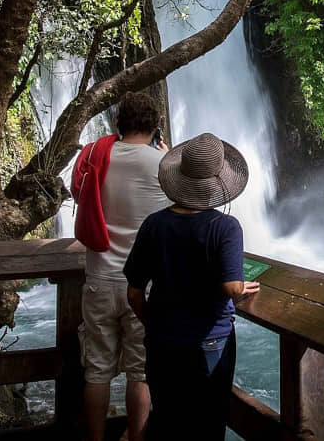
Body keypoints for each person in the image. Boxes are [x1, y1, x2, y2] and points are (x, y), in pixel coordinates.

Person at [123, 132, 260, 440]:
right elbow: (231, 287)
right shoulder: (225, 227)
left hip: (162, 344)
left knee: (169, 423)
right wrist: (241, 289)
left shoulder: (154, 224)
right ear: (218, 182)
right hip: (209, 343)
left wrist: (155, 325)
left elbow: (133, 292)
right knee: (207, 426)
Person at [76, 92, 170, 441]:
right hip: (142, 286)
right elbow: (185, 208)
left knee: (97, 371)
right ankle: (136, 436)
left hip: (99, 275)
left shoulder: (96, 159)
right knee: (140, 372)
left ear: (118, 123)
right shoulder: (161, 165)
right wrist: (168, 157)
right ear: (155, 127)